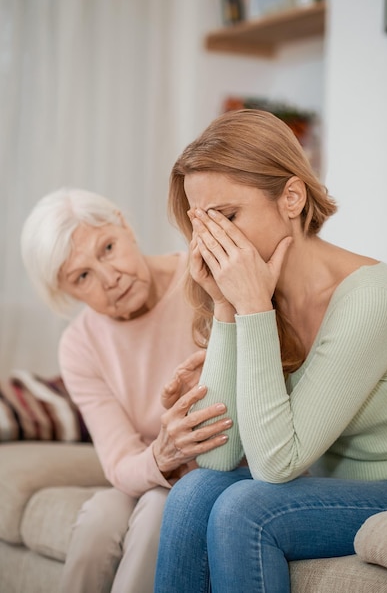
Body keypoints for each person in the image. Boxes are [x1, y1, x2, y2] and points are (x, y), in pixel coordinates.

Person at [153, 109, 387, 593]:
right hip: (332, 485)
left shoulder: (371, 299)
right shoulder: (259, 290)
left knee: (243, 509)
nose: (213, 241)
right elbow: (220, 456)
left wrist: (251, 305)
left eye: (227, 218)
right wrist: (225, 306)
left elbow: (277, 464)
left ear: (291, 198)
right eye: (201, 224)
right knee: (194, 492)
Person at [20, 188, 234, 593]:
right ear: (68, 292)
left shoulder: (204, 276)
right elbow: (119, 461)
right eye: (82, 276)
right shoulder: (80, 343)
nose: (110, 277)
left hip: (225, 465)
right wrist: (162, 453)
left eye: (108, 248)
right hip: (153, 469)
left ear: (125, 225)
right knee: (100, 515)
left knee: (156, 509)